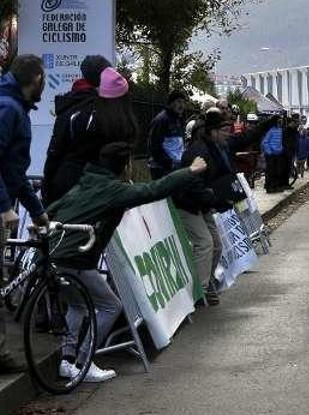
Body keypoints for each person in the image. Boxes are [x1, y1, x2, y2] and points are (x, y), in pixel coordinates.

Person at [48, 143, 207, 382]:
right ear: (126, 165)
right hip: (77, 258)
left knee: (77, 306)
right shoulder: (114, 190)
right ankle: (84, 362)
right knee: (111, 306)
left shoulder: (85, 181)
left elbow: (53, 209)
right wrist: (190, 171)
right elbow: (155, 189)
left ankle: (66, 361)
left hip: (55, 253)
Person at [175, 109, 278, 305]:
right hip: (187, 203)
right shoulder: (199, 151)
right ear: (212, 131)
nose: (227, 134)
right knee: (205, 244)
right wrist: (213, 198)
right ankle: (199, 292)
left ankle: (208, 282)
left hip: (203, 204)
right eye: (223, 131)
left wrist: (268, 123)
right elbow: (191, 183)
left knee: (217, 245)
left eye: (228, 130)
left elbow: (247, 136)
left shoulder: (221, 146)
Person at [0, 54, 50, 374]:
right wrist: (5, 207)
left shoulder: (13, 106)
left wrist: (36, 211)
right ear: (36, 79)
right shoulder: (8, 108)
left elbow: (14, 170)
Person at [43, 57, 139, 205]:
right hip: (102, 189)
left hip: (69, 187)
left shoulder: (73, 108)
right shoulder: (116, 109)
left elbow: (55, 151)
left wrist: (47, 189)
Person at [147, 90, 188, 180]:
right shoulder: (161, 120)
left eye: (183, 102)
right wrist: (167, 162)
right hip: (162, 168)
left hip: (176, 165)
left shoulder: (179, 119)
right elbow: (154, 145)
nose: (182, 105)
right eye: (178, 102)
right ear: (171, 103)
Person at [261, 118, 286, 193]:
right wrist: (269, 151)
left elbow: (280, 141)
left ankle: (275, 186)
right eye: (279, 121)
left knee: (277, 171)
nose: (281, 123)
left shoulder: (281, 130)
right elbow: (265, 142)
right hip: (271, 154)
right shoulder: (270, 130)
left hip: (278, 154)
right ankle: (269, 187)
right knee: (270, 171)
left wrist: (281, 148)